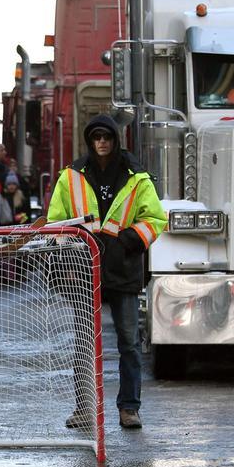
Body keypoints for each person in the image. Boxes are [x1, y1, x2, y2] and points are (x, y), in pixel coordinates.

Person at [47, 114, 167, 429]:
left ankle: (129, 408)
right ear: (90, 141)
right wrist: (66, 266)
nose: (102, 142)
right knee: (85, 344)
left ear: (115, 139)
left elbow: (155, 219)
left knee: (128, 341)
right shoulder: (70, 176)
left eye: (107, 137)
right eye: (96, 137)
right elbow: (56, 223)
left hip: (123, 270)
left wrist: (129, 240)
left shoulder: (136, 176)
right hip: (86, 269)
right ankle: (84, 409)